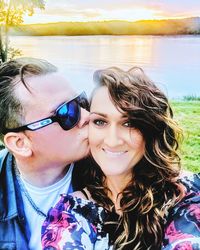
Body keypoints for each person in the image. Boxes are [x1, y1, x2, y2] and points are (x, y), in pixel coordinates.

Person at [41, 67, 200, 250]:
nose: (113, 140)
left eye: (128, 123)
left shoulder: (186, 194)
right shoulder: (72, 213)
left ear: (150, 130)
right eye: (100, 122)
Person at [0, 57, 90, 250]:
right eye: (67, 113)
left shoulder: (110, 169)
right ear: (20, 143)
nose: (87, 116)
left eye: (82, 102)